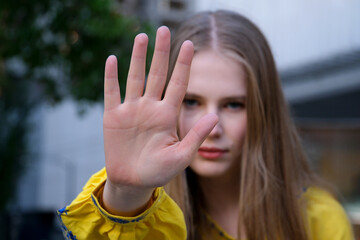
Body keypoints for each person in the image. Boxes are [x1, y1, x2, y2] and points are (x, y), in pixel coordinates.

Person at [57, 10, 354, 240]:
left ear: (266, 111)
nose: (211, 128)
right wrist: (126, 195)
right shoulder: (148, 217)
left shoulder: (319, 221)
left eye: (234, 104)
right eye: (191, 102)